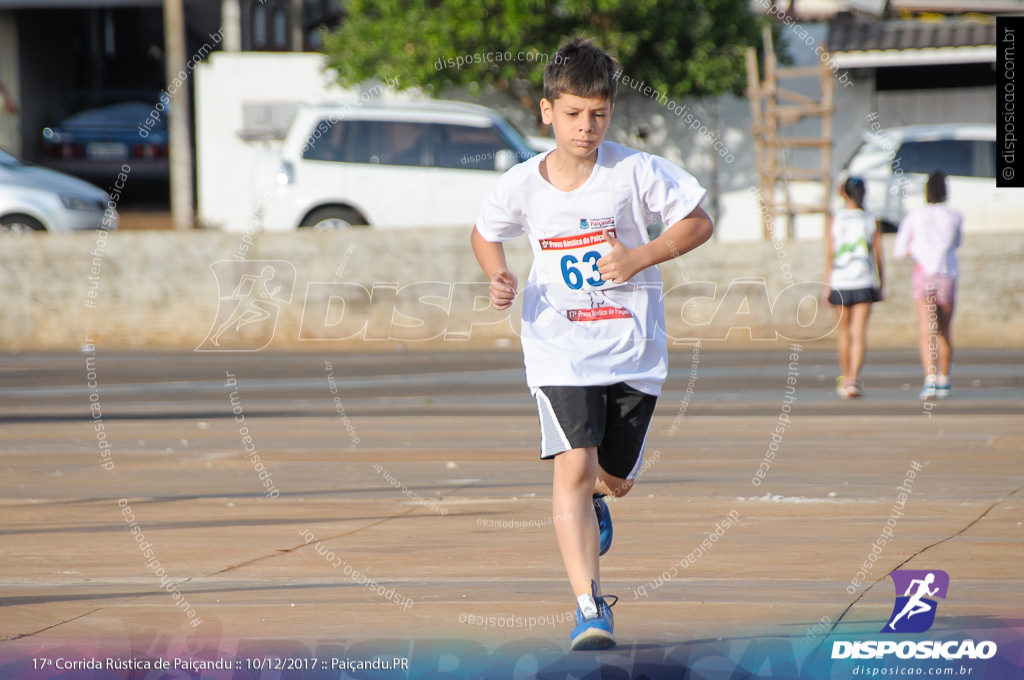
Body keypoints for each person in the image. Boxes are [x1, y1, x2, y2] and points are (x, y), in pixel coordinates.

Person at [470, 37, 713, 650]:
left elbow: (698, 221)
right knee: (573, 465)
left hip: (633, 348)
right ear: (548, 111)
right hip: (558, 346)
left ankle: (601, 496)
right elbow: (485, 232)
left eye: (599, 114)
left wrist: (639, 257)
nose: (587, 127)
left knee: (615, 477)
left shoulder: (634, 171)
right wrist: (497, 275)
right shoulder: (523, 183)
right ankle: (589, 605)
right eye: (574, 113)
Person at [894, 171, 962, 400]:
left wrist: (916, 251)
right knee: (944, 330)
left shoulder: (915, 216)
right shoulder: (954, 216)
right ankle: (944, 377)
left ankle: (930, 378)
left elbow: (900, 249)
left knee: (927, 329)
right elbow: (957, 243)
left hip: (924, 275)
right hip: (947, 274)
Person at [824, 177, 884, 398]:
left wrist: (826, 286)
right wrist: (881, 283)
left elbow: (830, 255)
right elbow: (879, 256)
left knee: (844, 333)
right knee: (859, 333)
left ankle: (845, 375)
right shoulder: (870, 219)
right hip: (864, 280)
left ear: (844, 194)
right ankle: (853, 379)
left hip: (840, 281)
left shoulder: (836, 219)